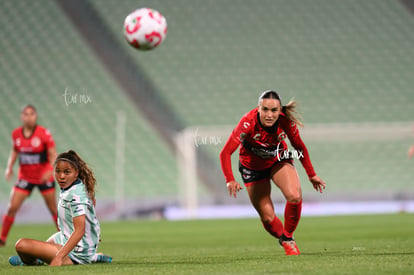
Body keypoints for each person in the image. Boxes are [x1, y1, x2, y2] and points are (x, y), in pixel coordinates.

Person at [219, 90, 326, 255]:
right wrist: (230, 179)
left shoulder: (286, 122)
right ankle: (283, 238)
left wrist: (311, 174)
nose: (269, 114)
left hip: (278, 160)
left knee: (295, 196)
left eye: (274, 110)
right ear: (258, 108)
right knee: (268, 218)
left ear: (280, 111)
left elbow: (299, 147)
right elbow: (225, 152)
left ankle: (288, 238)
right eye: (265, 110)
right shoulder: (247, 123)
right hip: (252, 168)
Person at [8, 150, 112, 266]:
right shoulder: (73, 185)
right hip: (65, 238)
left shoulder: (76, 194)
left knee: (21, 245)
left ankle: (36, 261)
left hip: (77, 253)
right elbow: (90, 213)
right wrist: (92, 235)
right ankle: (94, 256)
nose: (61, 176)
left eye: (67, 172)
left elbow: (80, 230)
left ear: (76, 172)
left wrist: (59, 257)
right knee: (42, 245)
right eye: (58, 171)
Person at [1, 105, 58, 246]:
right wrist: (9, 167)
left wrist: (50, 170)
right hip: (25, 178)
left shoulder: (44, 133)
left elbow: (53, 154)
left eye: (31, 114)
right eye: (26, 114)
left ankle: (66, 237)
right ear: (22, 116)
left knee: (54, 209)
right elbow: (15, 151)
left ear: (36, 116)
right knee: (11, 208)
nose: (29, 117)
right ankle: (2, 239)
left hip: (43, 177)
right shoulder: (16, 134)